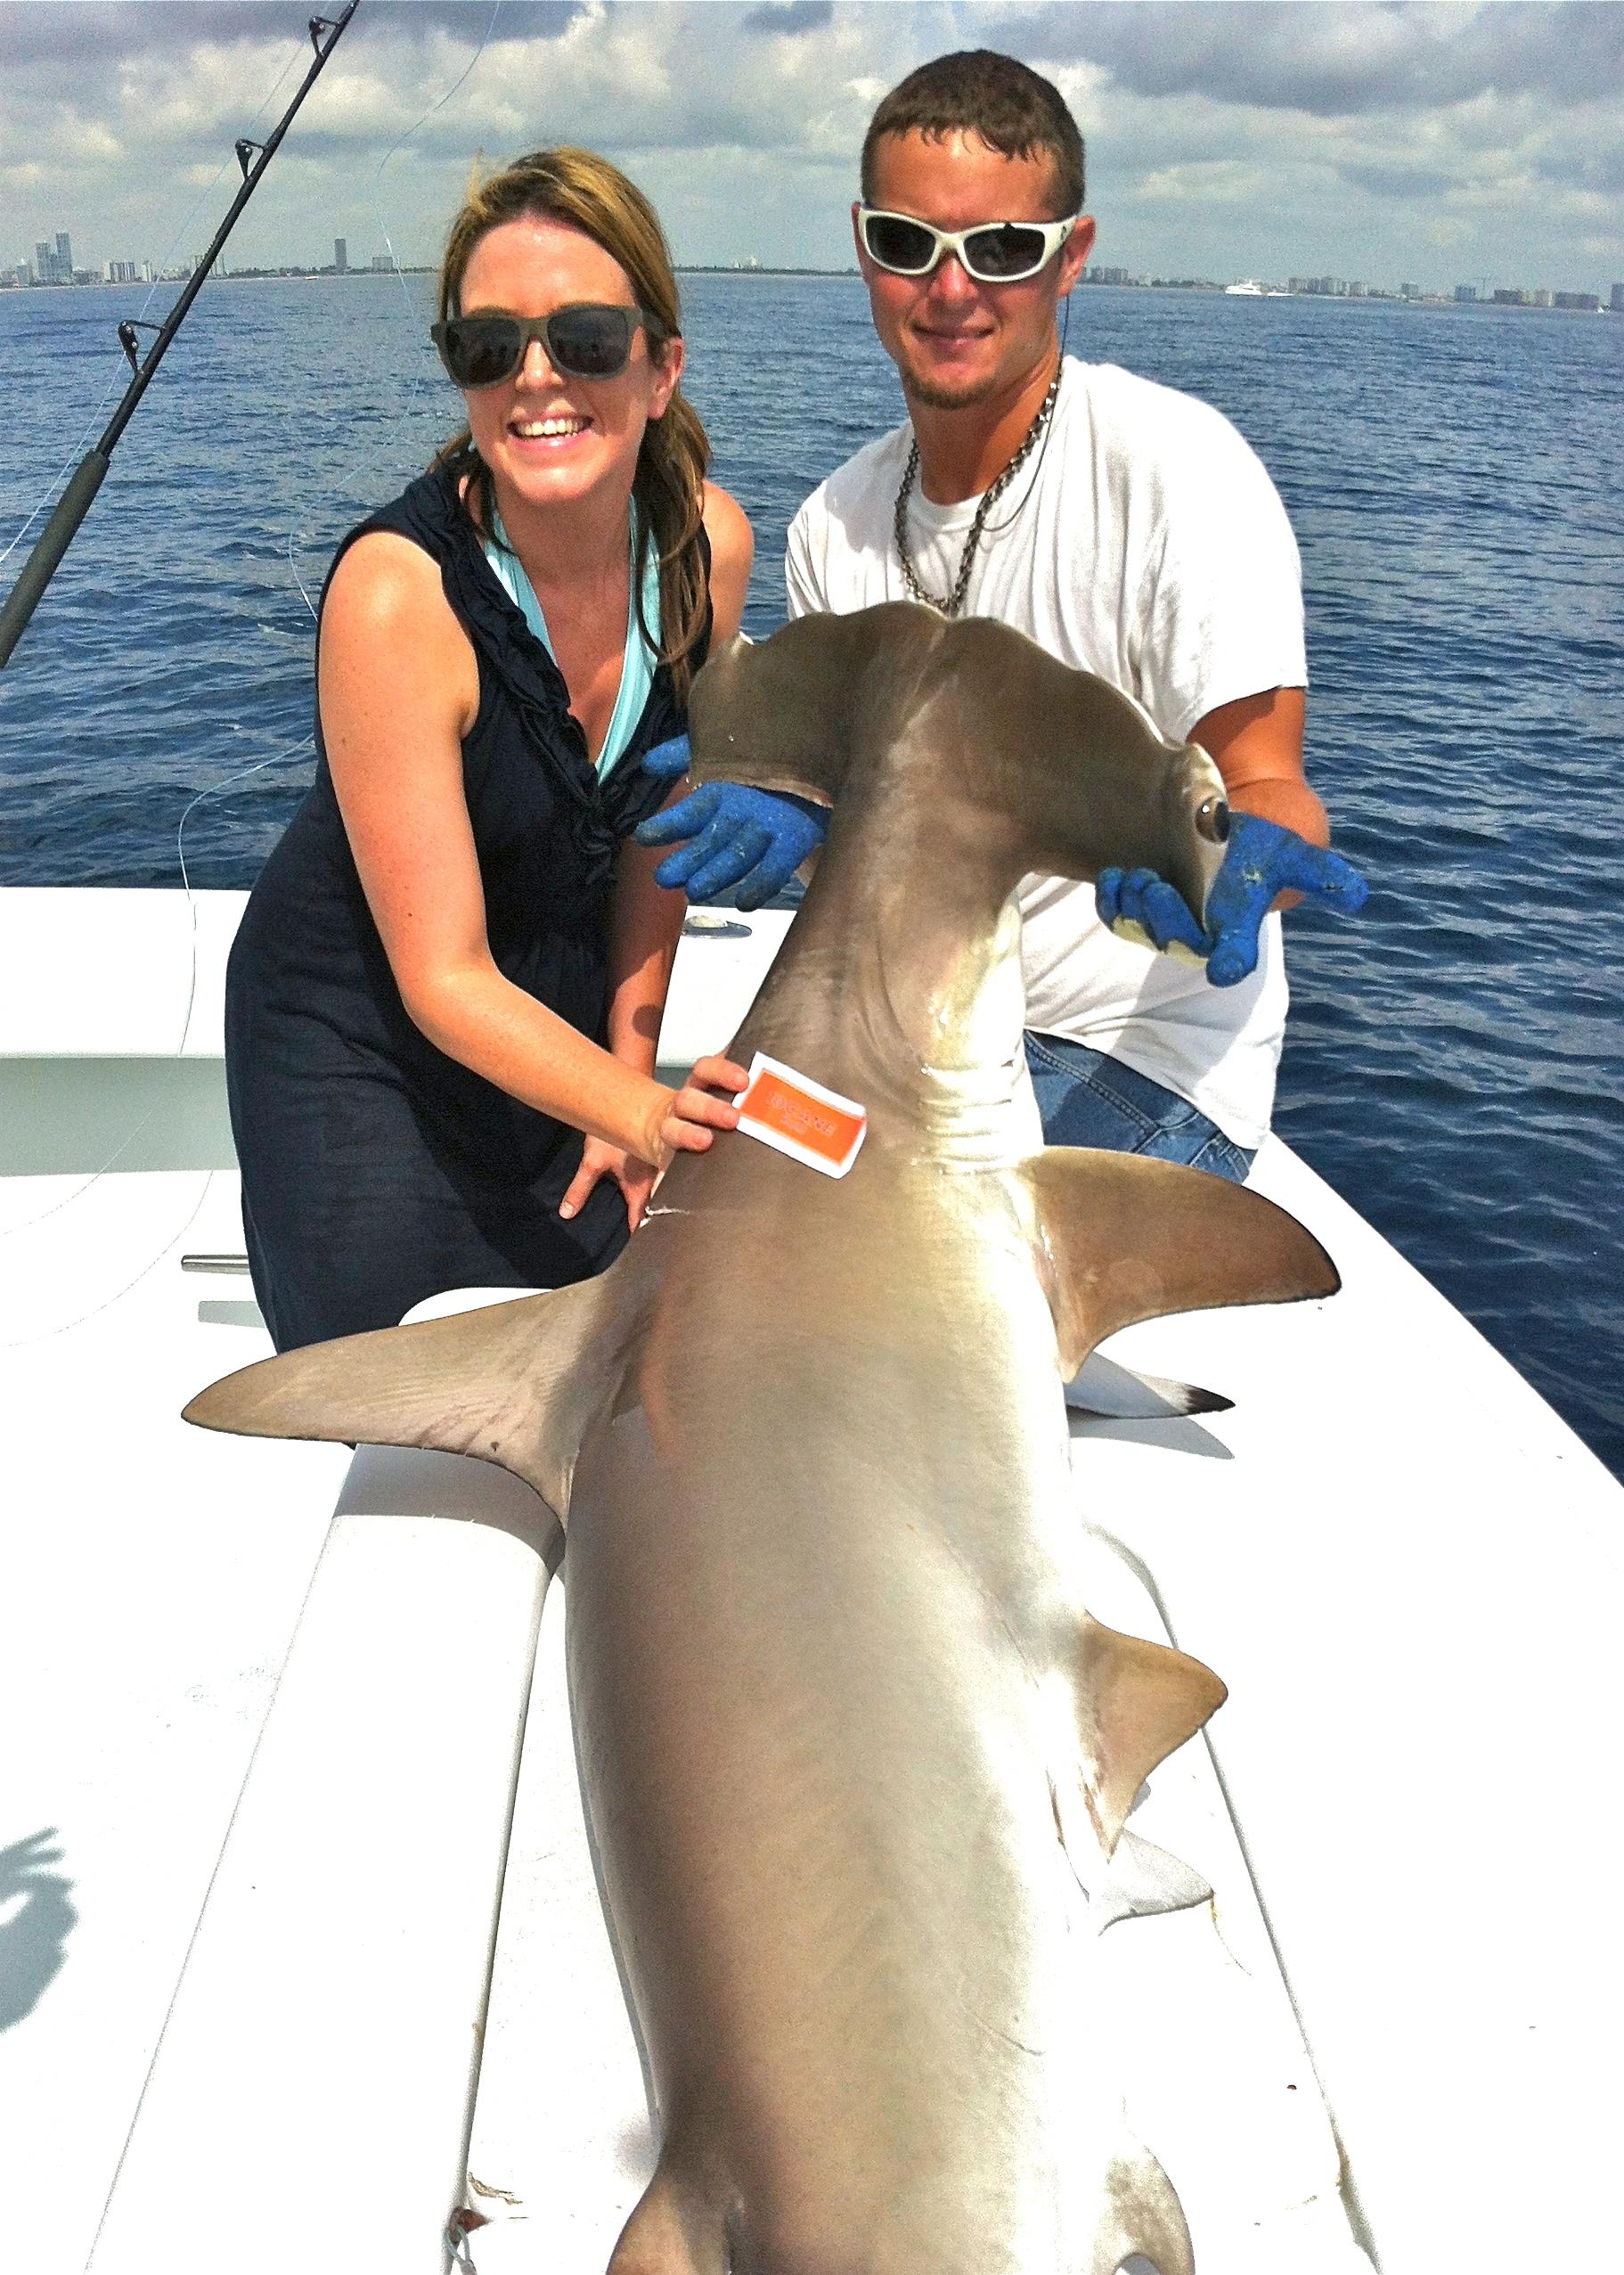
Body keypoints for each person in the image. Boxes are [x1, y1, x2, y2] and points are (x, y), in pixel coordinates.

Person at [641, 50, 1365, 1183]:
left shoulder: (1177, 470)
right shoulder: (833, 522)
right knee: (693, 1213)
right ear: (861, 244)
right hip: (911, 1038)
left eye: (1002, 250)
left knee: (888, 1306)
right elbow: (866, 825)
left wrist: (1237, 864)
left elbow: (1267, 782)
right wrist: (795, 797)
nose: (950, 290)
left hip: (1130, 1053)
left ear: (1069, 257)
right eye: (906, 244)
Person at [225, 148, 753, 1352]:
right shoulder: (395, 596)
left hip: (549, 1018)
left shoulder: (706, 552)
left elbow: (655, 839)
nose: (535, 377)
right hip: (359, 1042)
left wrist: (623, 1085)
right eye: (487, 346)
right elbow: (440, 975)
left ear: (661, 367)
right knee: (396, 1382)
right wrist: (636, 1106)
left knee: (591, 1345)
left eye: (583, 336)